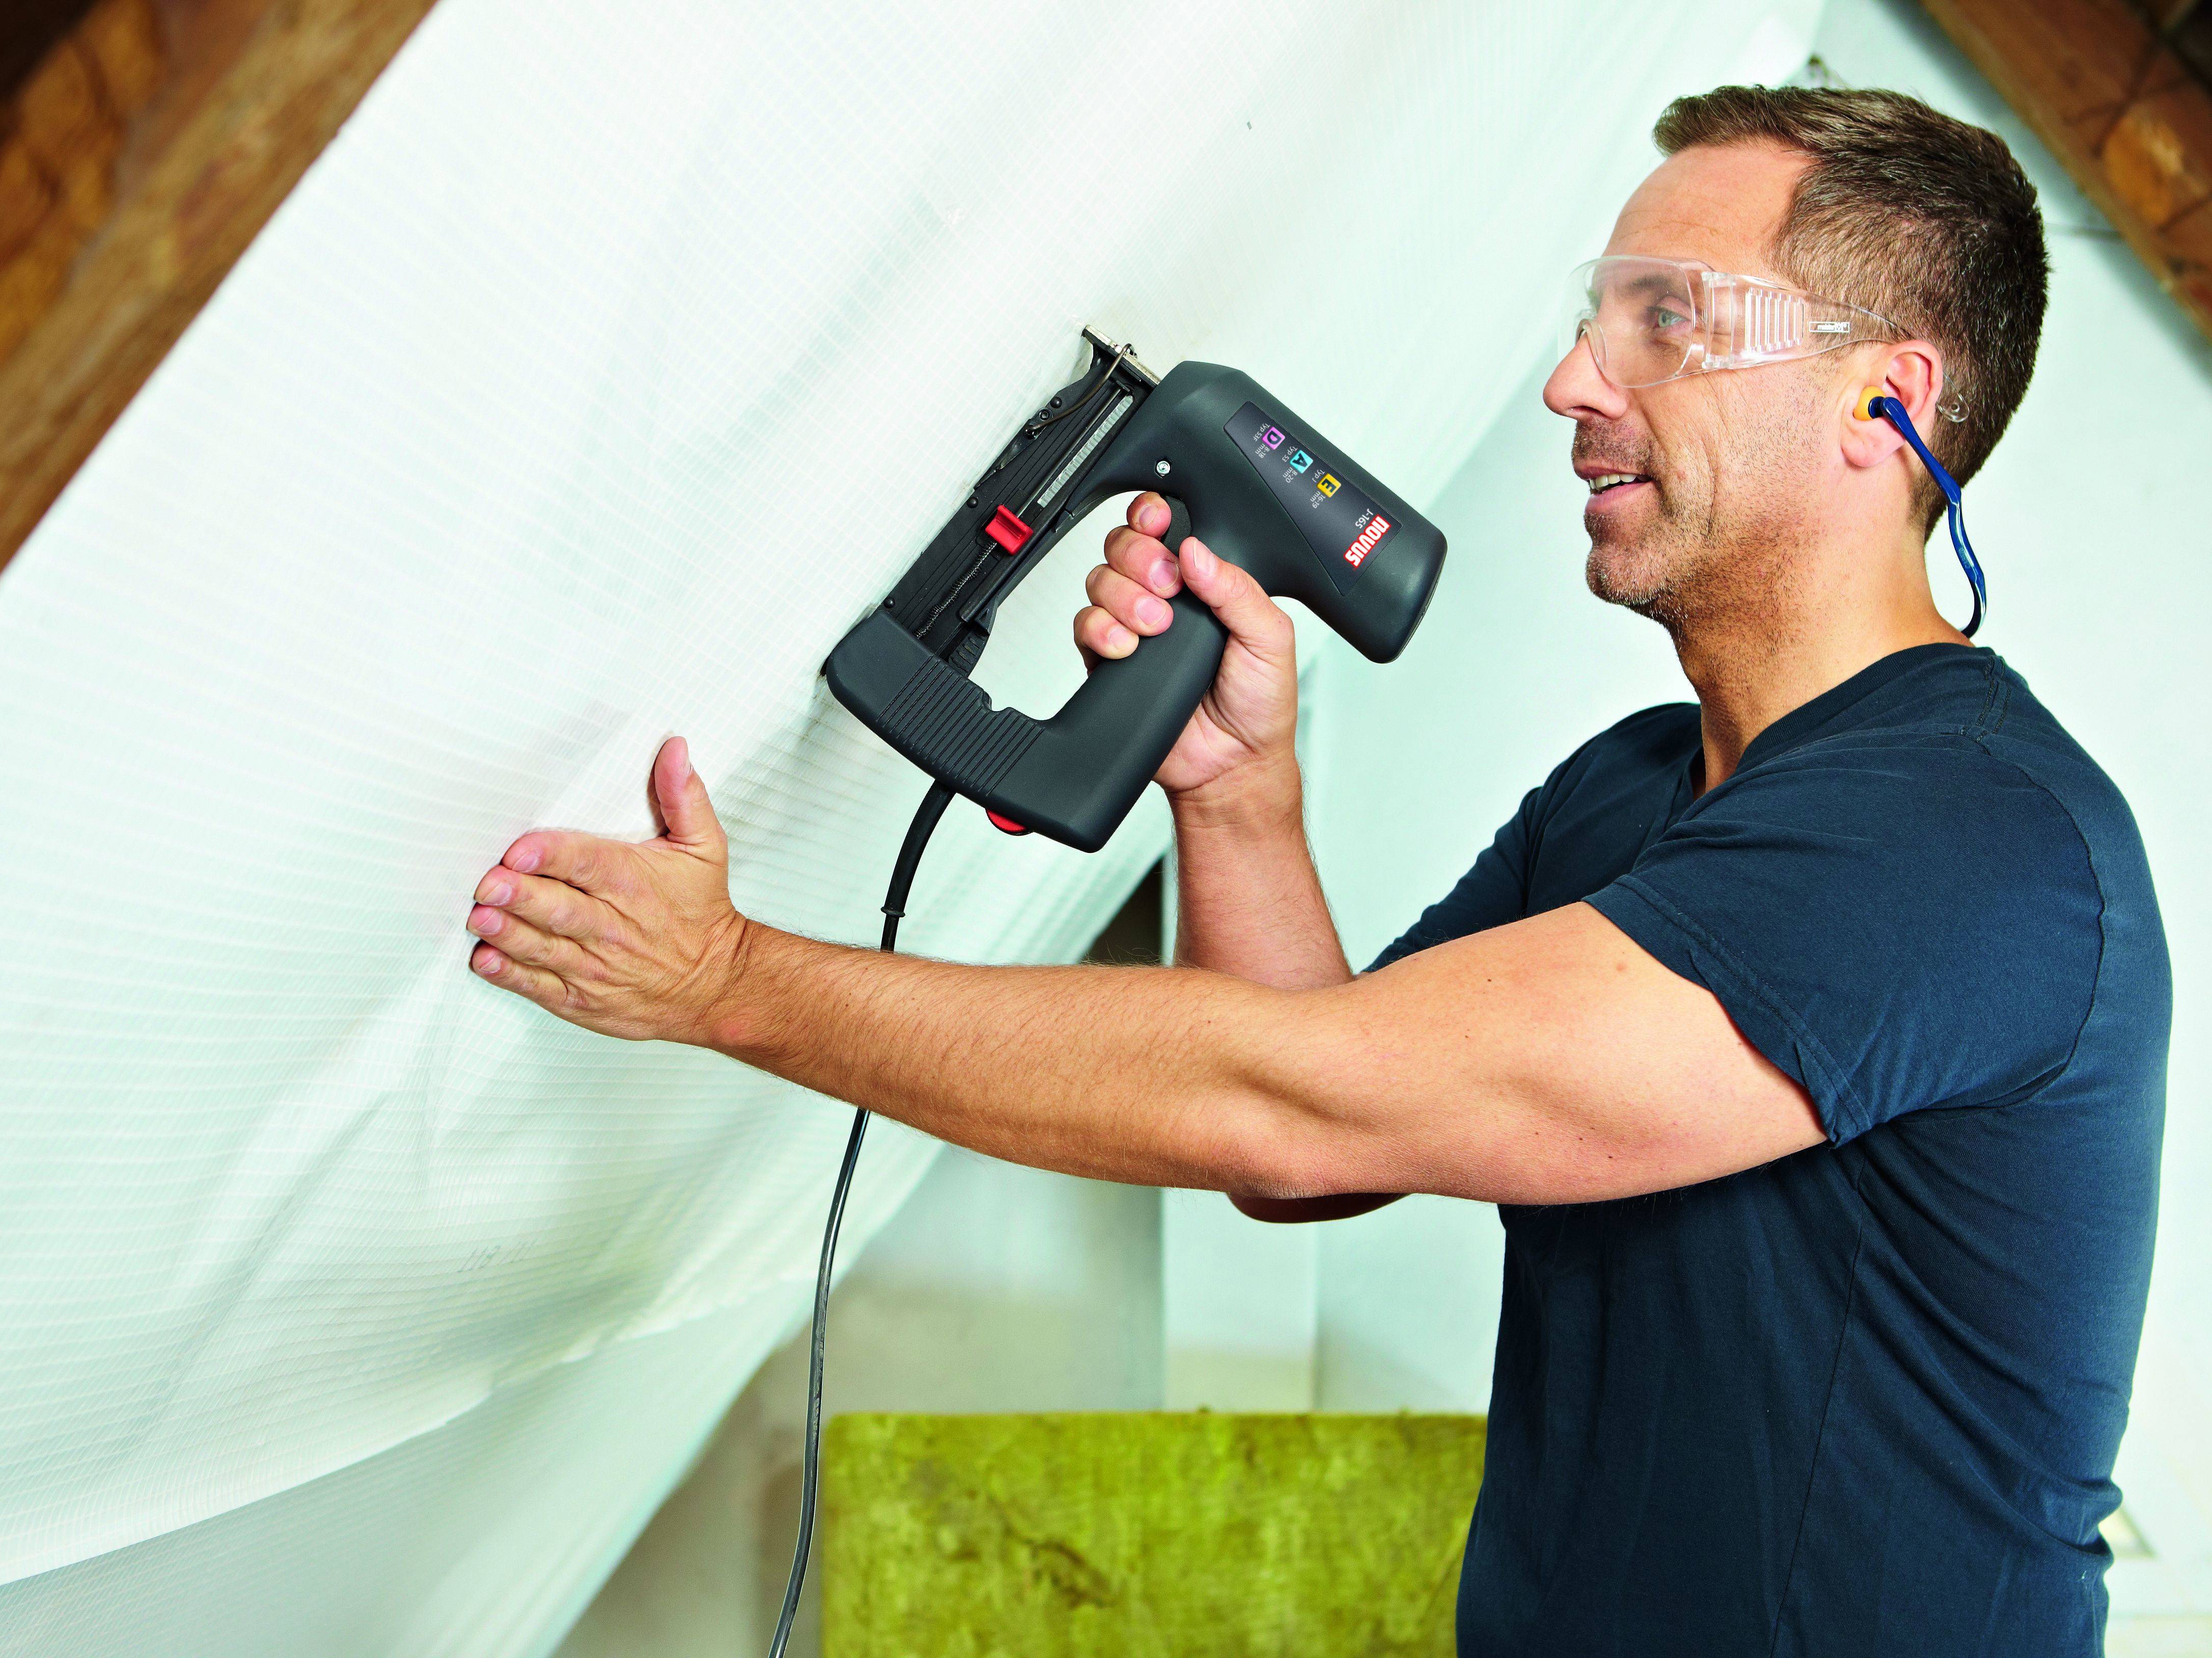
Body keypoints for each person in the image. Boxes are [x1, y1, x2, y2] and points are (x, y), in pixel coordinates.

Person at [461, 86, 2167, 1654]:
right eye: (1595, 319)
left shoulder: (1968, 839)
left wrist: (728, 982)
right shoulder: (1633, 796)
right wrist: (1240, 792)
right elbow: (1320, 1156)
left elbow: (1305, 1107)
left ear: (1892, 395)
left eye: (1667, 318)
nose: (1578, 381)